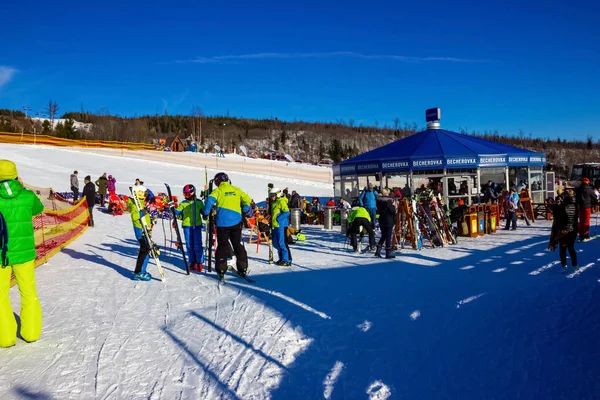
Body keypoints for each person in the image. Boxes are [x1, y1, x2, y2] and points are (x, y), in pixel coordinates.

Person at [0, 160, 44, 348]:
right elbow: (39, 208)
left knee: (1, 295)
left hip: (2, 255)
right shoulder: (27, 196)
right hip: (25, 254)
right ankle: (31, 332)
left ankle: (5, 336)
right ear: (16, 175)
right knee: (28, 291)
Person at [202, 172, 253, 280]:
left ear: (217, 182)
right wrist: (245, 209)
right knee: (237, 244)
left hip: (222, 223)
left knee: (222, 246)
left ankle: (221, 269)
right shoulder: (236, 189)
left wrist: (206, 213)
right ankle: (243, 267)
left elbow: (209, 201)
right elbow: (247, 199)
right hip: (236, 222)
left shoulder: (218, 190)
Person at [173, 184, 204, 272]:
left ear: (192, 193)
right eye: (184, 194)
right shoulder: (183, 203)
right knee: (189, 245)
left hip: (197, 226)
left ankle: (199, 262)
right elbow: (177, 212)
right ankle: (192, 261)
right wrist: (172, 206)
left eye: (187, 194)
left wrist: (209, 213)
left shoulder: (199, 202)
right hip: (187, 226)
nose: (186, 196)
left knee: (197, 245)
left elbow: (204, 212)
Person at [125, 186, 153, 281]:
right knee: (145, 250)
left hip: (145, 230)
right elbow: (135, 216)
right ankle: (139, 272)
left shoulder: (140, 202)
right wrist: (144, 212)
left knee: (147, 250)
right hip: (141, 232)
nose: (145, 196)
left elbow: (143, 215)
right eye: (144, 194)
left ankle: (141, 271)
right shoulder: (134, 204)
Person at [549, 188, 578, 269]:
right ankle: (575, 265)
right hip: (573, 229)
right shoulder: (576, 205)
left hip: (564, 230)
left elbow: (558, 216)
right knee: (571, 247)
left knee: (563, 248)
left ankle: (564, 265)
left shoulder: (563, 206)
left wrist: (553, 205)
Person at [270, 188, 292, 266]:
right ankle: (281, 258)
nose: (271, 197)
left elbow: (287, 212)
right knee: (275, 243)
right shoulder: (273, 203)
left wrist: (278, 218)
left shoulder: (281, 201)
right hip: (274, 226)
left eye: (273, 195)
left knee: (281, 243)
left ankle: (286, 260)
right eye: (271, 195)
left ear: (277, 194)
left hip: (280, 225)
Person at [375, 188, 397, 259]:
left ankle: (378, 250)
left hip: (382, 220)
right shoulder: (387, 202)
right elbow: (392, 210)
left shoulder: (379, 201)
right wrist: (393, 205)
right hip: (388, 220)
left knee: (384, 235)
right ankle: (388, 253)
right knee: (388, 236)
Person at [575, 177, 596, 242]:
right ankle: (586, 234)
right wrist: (595, 202)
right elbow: (594, 197)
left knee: (581, 220)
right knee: (586, 220)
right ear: (587, 182)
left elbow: (576, 198)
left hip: (580, 206)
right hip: (587, 206)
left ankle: (581, 234)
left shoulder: (578, 189)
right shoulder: (589, 189)